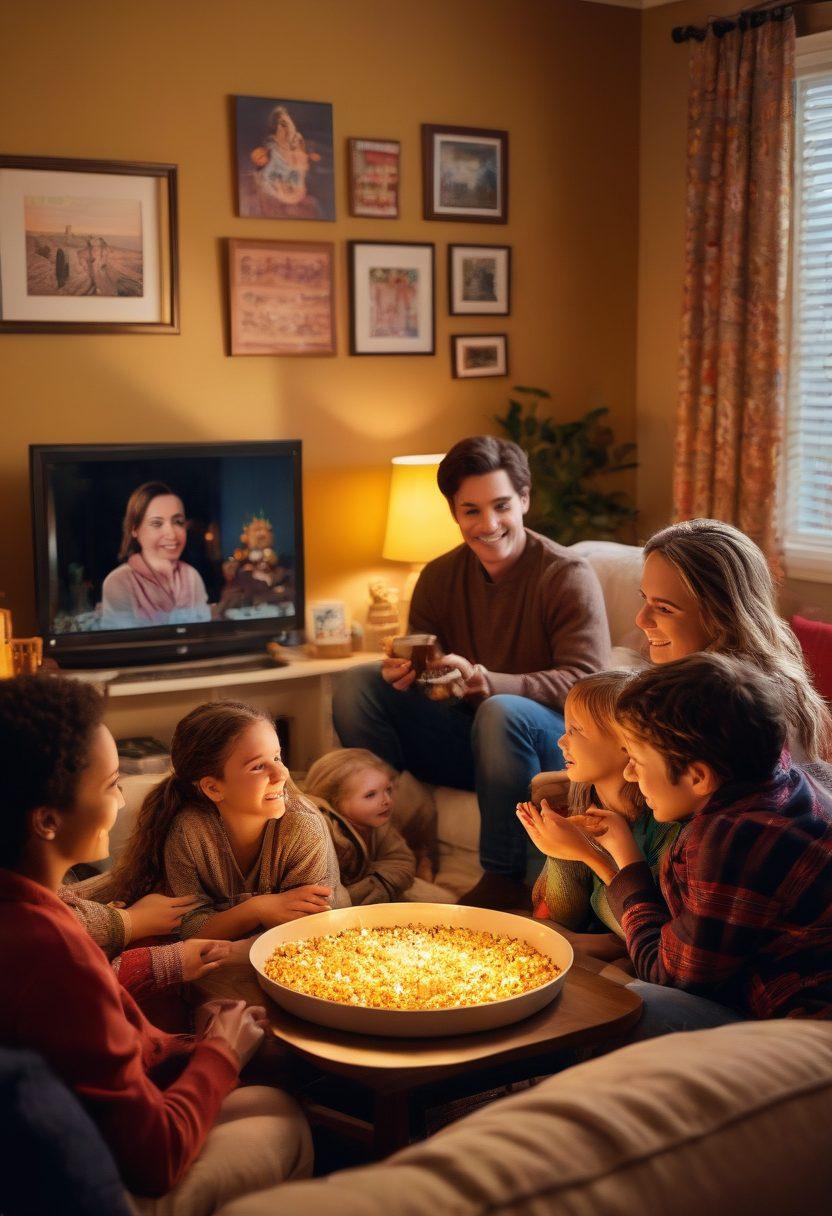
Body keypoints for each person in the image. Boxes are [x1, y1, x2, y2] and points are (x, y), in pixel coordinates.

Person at [0, 674, 312, 1208]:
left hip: (90, 1127)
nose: (123, 797)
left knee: (265, 1097)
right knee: (287, 1122)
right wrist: (221, 1053)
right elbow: (154, 1155)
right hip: (107, 1182)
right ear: (47, 820)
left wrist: (194, 1046)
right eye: (111, 783)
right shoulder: (52, 951)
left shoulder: (40, 911)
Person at [333, 436, 610, 911]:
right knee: (358, 685)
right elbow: (429, 677)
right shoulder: (439, 577)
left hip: (546, 740)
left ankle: (504, 878)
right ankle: (386, 840)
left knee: (500, 711)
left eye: (501, 506)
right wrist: (408, 675)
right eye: (471, 511)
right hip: (467, 738)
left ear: (524, 500)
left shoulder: (565, 575)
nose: (489, 524)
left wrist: (488, 680)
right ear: (455, 514)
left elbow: (587, 681)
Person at [588, 654, 832, 1030]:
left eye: (637, 759)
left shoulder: (734, 842)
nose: (628, 773)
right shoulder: (786, 779)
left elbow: (668, 975)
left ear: (698, 777)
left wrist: (627, 866)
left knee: (626, 1004)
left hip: (800, 1030)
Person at [531, 516, 832, 808]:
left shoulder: (734, 707)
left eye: (664, 608)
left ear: (720, 616)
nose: (641, 619)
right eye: (645, 599)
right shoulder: (698, 684)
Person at [109, 700, 348, 938]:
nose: (282, 773)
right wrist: (257, 909)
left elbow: (309, 927)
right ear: (213, 788)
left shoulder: (302, 826)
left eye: (277, 758)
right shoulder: (189, 833)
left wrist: (225, 926)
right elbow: (187, 928)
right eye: (257, 767)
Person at [517, 670, 679, 959]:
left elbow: (649, 933)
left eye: (575, 730)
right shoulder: (585, 802)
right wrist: (561, 854)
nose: (560, 742)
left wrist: (588, 854)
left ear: (626, 742)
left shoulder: (665, 825)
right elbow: (558, 916)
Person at [302, 748, 454, 905]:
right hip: (335, 907)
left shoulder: (380, 826)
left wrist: (379, 884)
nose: (386, 800)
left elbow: (401, 860)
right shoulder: (326, 834)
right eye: (370, 795)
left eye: (388, 790)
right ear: (334, 801)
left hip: (375, 889)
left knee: (447, 902)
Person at [101, 481, 210, 628]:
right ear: (135, 529)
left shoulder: (192, 576)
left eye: (178, 522)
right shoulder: (118, 582)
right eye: (157, 524)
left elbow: (203, 632)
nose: (171, 534)